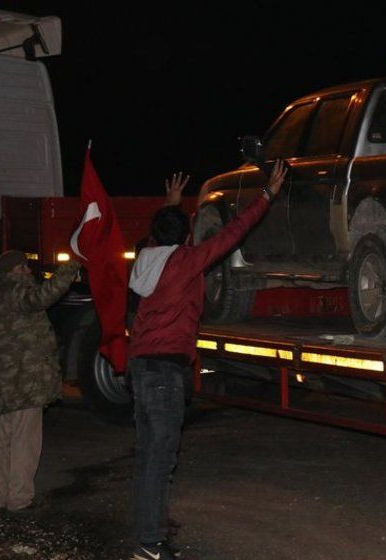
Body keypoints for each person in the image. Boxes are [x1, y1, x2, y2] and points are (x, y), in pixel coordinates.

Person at [128, 160, 287, 560]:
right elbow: (234, 232)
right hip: (165, 370)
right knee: (162, 457)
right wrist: (267, 194)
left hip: (141, 368)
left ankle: (150, 530)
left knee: (149, 455)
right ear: (184, 238)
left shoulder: (144, 258)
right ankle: (149, 543)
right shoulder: (184, 263)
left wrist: (171, 204)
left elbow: (158, 237)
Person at [0, 251, 79, 513]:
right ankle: (20, 499)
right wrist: (69, 269)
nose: (29, 271)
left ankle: (0, 496)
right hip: (26, 382)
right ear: (15, 270)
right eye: (24, 266)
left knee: (7, 441)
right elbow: (43, 296)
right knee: (26, 442)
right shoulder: (16, 291)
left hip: (4, 384)